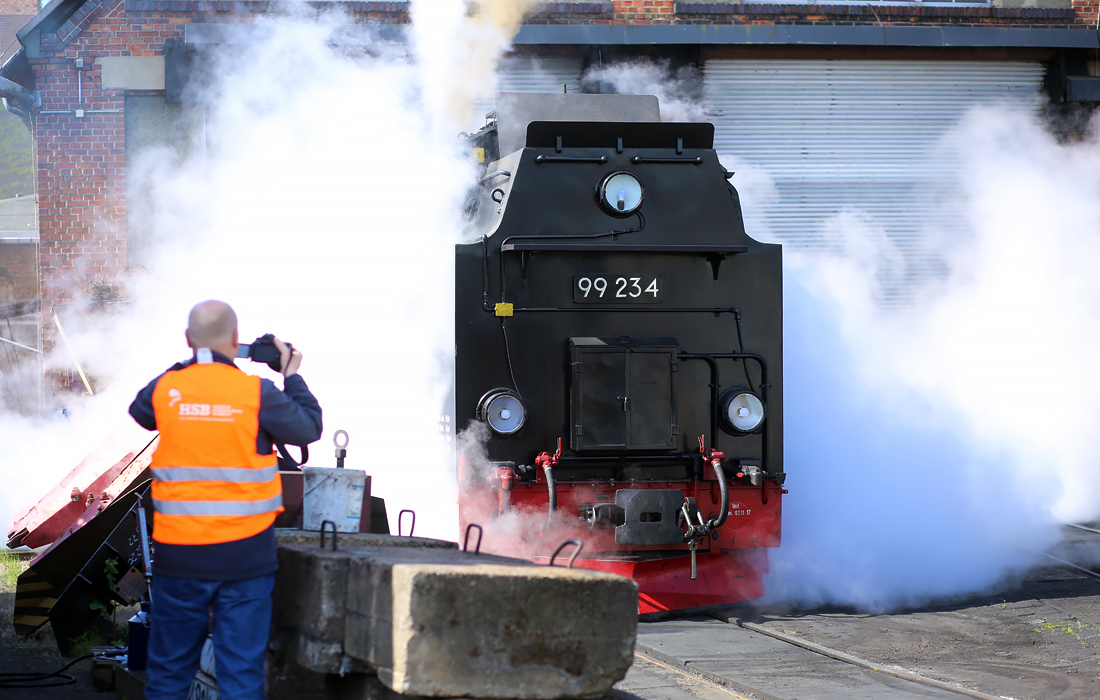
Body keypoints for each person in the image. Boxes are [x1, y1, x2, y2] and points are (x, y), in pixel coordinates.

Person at [128, 300, 322, 700]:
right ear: (237, 342)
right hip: (245, 560)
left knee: (167, 677)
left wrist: (190, 366)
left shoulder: (170, 388)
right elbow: (309, 427)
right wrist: (291, 374)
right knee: (241, 676)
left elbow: (140, 409)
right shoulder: (256, 392)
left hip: (179, 559)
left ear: (188, 342)